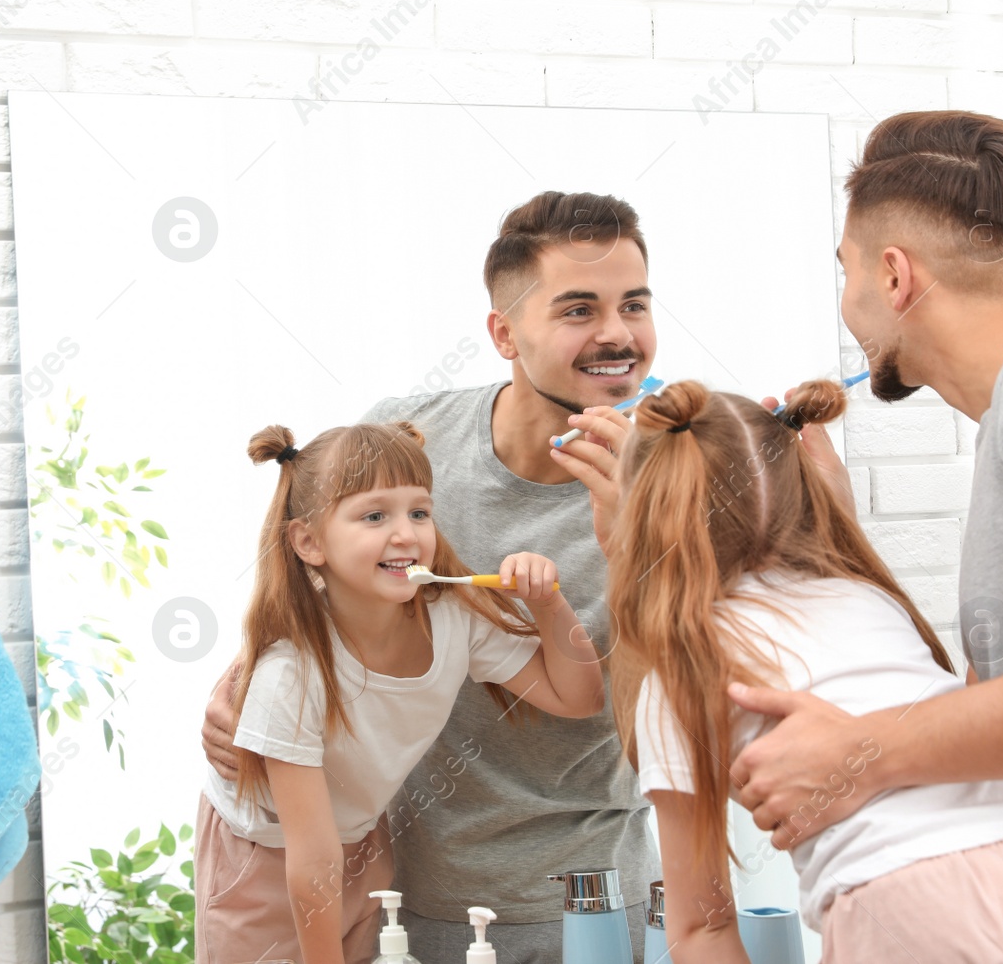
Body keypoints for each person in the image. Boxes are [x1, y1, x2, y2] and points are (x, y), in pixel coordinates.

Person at [716, 111, 1003, 963]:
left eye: (847, 272)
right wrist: (837, 534)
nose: (849, 304)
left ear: (894, 276)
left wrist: (866, 752)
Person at [202, 191, 661, 962]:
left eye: (635, 305)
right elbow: (317, 587)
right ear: (504, 333)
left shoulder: (676, 480)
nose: (617, 335)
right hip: (396, 889)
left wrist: (634, 543)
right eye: (579, 309)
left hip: (588, 894)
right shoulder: (411, 441)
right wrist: (246, 687)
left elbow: (670, 717)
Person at [605, 376, 1003, 962]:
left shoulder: (682, 669)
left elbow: (701, 927)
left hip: (905, 892)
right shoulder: (869, 599)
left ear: (640, 513)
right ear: (801, 485)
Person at [194, 418, 604, 964]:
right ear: (309, 541)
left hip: (363, 840)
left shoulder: (453, 616)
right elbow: (311, 857)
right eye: (374, 516)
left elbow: (580, 698)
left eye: (419, 512)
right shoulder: (291, 672)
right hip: (263, 857)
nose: (407, 534)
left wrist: (549, 604)